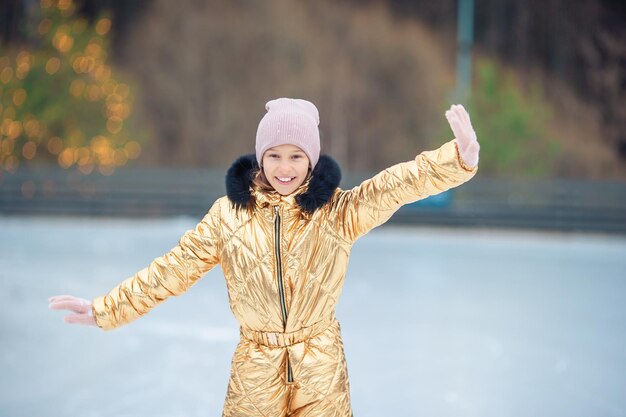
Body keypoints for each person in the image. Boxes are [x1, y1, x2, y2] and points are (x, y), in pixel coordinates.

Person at [49, 98, 480, 417]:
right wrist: (106, 309)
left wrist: (457, 159)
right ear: (260, 158)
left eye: (296, 156)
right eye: (274, 155)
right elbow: (172, 270)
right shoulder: (228, 216)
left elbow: (393, 186)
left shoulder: (336, 212)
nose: (284, 167)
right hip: (255, 366)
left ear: (311, 161)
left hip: (321, 365)